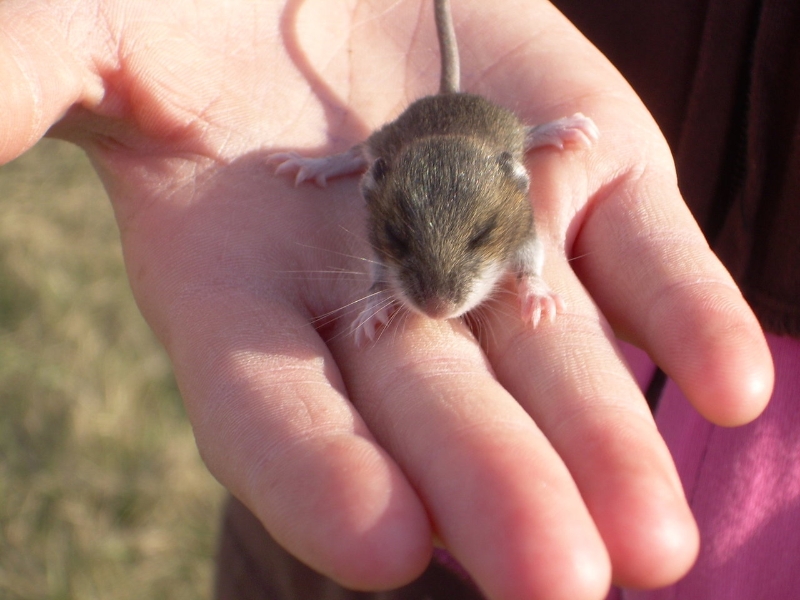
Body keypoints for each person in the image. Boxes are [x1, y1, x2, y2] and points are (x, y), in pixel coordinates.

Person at [0, 0, 782, 598]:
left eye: (463, 272)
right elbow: (391, 240)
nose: (438, 305)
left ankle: (524, 132)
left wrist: (535, 278)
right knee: (382, 143)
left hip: (490, 141)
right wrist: (370, 251)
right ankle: (344, 155)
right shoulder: (390, 199)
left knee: (505, 132)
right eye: (408, 267)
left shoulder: (507, 203)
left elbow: (523, 240)